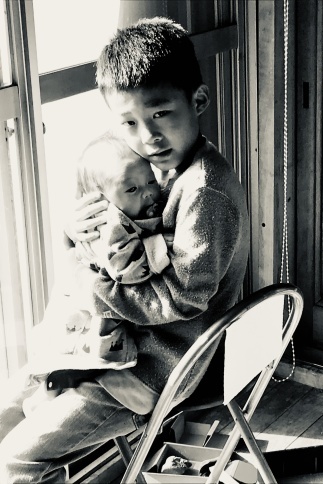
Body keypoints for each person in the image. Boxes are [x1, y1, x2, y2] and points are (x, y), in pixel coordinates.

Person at [0, 17, 250, 483]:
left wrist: (87, 283)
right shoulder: (154, 167)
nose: (147, 137)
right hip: (120, 348)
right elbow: (110, 227)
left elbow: (183, 299)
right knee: (7, 411)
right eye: (129, 123)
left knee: (17, 460)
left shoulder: (205, 192)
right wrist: (74, 232)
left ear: (198, 101)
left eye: (161, 114)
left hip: (153, 370)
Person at [22, 132, 172, 416]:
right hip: (83, 313)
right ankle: (44, 398)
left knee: (80, 364)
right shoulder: (108, 228)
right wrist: (162, 246)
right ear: (101, 201)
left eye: (151, 181)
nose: (148, 192)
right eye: (132, 189)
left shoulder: (133, 213)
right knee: (76, 362)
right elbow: (127, 270)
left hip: (95, 306)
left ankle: (50, 392)